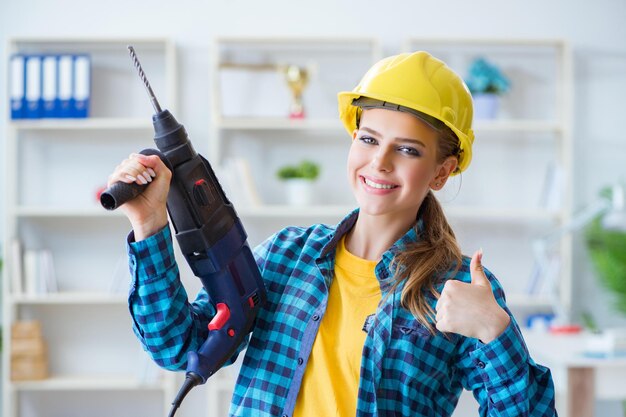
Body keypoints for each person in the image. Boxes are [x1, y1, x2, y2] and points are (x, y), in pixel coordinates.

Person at [108, 51, 556, 416]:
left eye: (406, 150)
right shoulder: (285, 257)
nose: (380, 162)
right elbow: (179, 346)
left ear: (442, 171)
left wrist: (495, 331)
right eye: (368, 139)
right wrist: (149, 226)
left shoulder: (459, 290)